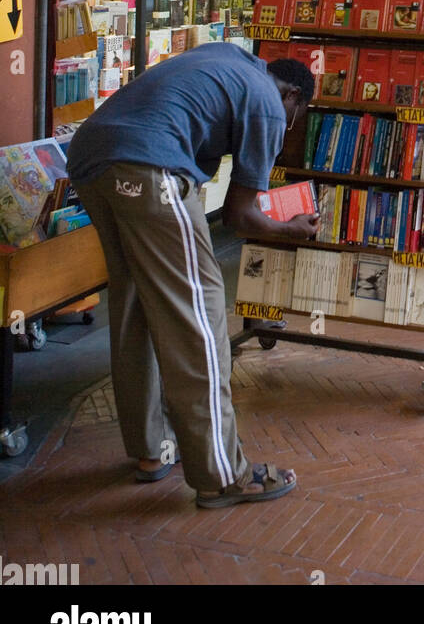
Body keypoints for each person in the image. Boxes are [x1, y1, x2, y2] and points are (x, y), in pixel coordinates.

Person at [66, 46, 319, 508]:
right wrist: (288, 228)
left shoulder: (230, 58)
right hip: (149, 168)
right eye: (298, 116)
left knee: (136, 305)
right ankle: (223, 475)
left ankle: (151, 449)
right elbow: (240, 217)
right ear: (295, 97)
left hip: (91, 156)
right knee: (199, 317)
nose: (291, 127)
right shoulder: (269, 104)